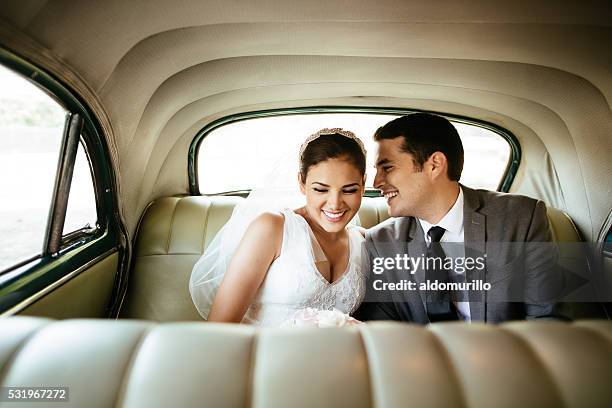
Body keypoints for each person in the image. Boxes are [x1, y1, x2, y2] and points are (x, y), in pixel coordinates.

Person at [354, 113, 565, 323]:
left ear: (434, 164)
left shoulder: (521, 218)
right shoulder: (381, 242)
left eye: (387, 167)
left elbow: (545, 320)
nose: (377, 181)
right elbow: (383, 331)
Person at [190, 129, 367, 326]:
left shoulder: (363, 241)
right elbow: (220, 326)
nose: (335, 204)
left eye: (349, 190)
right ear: (301, 182)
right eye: (320, 189)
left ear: (363, 183)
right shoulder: (272, 228)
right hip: (263, 353)